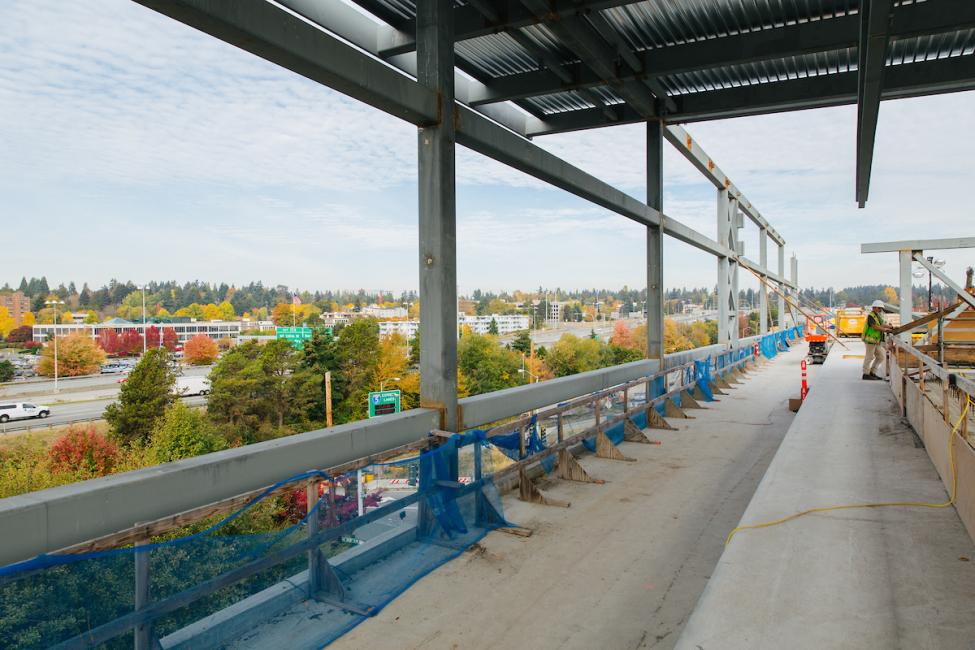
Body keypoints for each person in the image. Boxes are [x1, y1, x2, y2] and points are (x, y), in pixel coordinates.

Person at [862, 300, 892, 380]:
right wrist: (885, 330)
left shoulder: (876, 315)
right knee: (869, 357)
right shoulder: (871, 316)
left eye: (881, 309)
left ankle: (872, 372)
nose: (880, 310)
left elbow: (881, 324)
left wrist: (890, 327)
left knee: (881, 356)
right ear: (875, 308)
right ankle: (866, 374)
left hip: (876, 341)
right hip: (870, 340)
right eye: (879, 308)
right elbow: (875, 327)